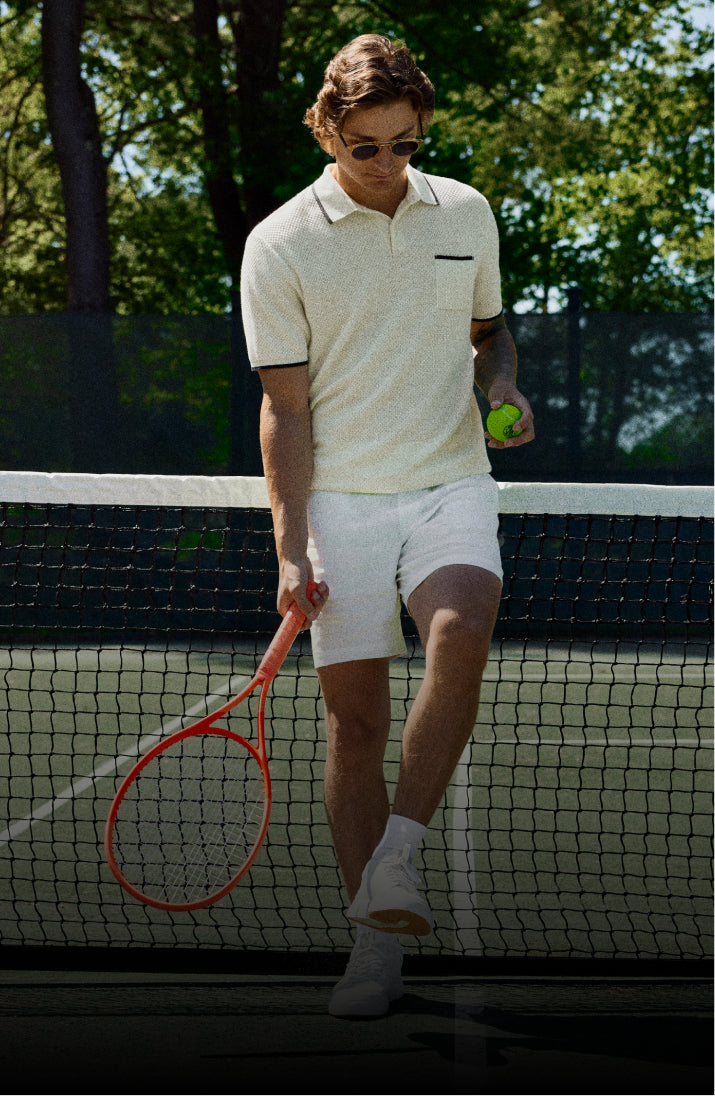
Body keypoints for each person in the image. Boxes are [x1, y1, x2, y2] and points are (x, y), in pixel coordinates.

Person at [240, 33, 534, 1018]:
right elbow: (284, 408)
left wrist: (501, 385)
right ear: (327, 132)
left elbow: (488, 332)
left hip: (451, 479)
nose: (386, 163)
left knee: (462, 628)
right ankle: (372, 950)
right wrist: (291, 546)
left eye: (404, 143)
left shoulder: (466, 212)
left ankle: (396, 859)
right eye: (365, 146)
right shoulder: (280, 242)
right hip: (340, 500)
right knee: (355, 723)